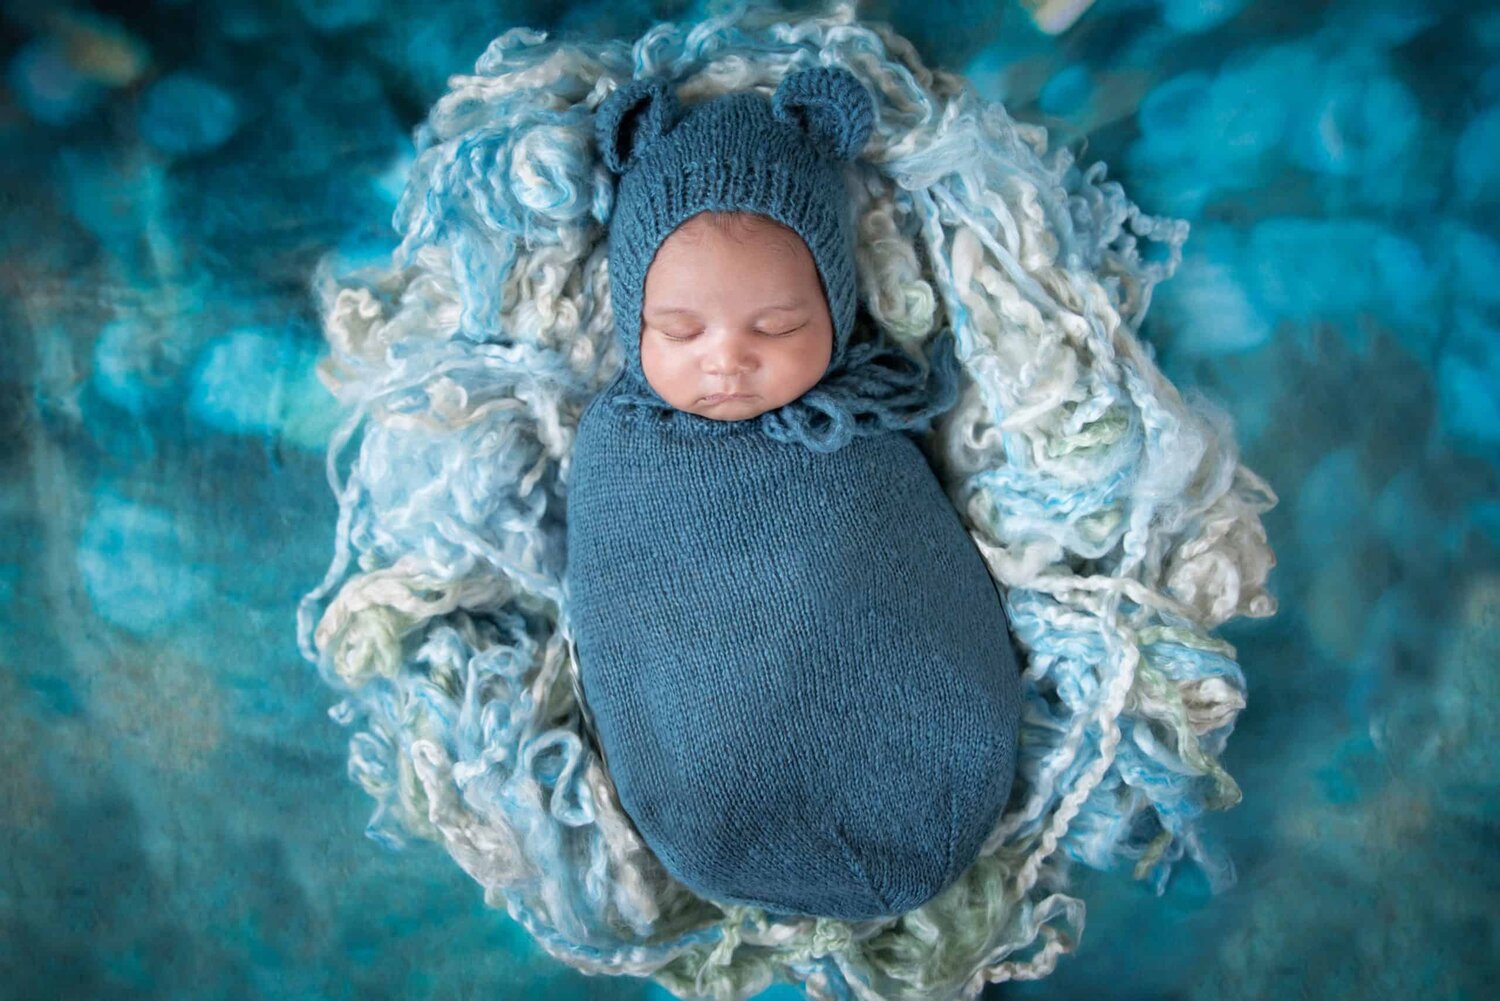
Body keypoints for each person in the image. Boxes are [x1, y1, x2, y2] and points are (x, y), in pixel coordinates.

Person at [563, 66, 1025, 921]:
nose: (726, 359)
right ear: (631, 317)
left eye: (776, 327)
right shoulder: (620, 452)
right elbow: (624, 610)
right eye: (680, 330)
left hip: (922, 760)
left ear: (838, 307)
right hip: (713, 789)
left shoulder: (865, 419)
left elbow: (906, 571)